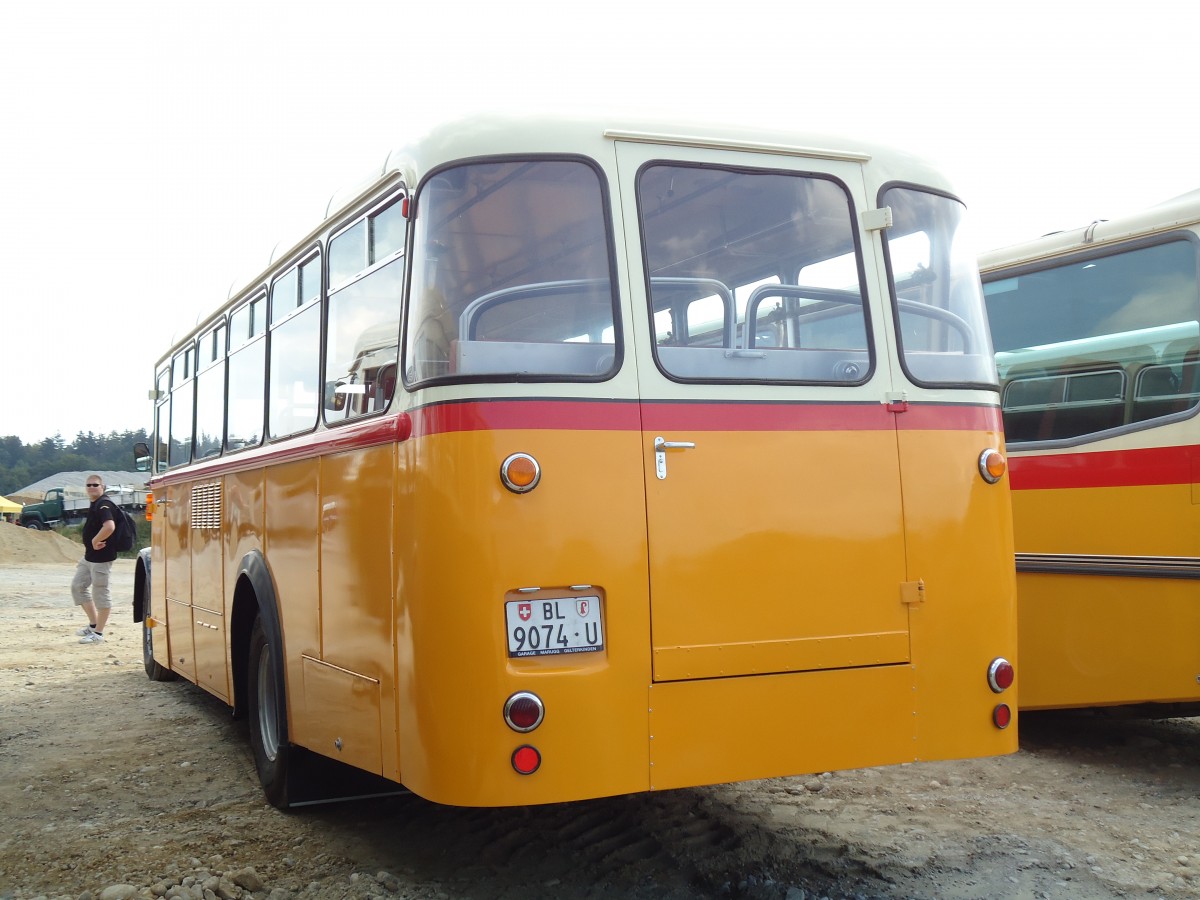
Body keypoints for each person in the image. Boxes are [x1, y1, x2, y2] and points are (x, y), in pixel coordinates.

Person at [71, 476, 118, 644]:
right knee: (78, 586)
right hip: (89, 557)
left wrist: (95, 540)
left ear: (102, 486)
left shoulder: (104, 504)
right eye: (89, 485)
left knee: (100, 593)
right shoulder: (95, 503)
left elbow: (109, 526)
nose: (91, 487)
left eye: (95, 485)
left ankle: (98, 634)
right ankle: (93, 625)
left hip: (101, 557)